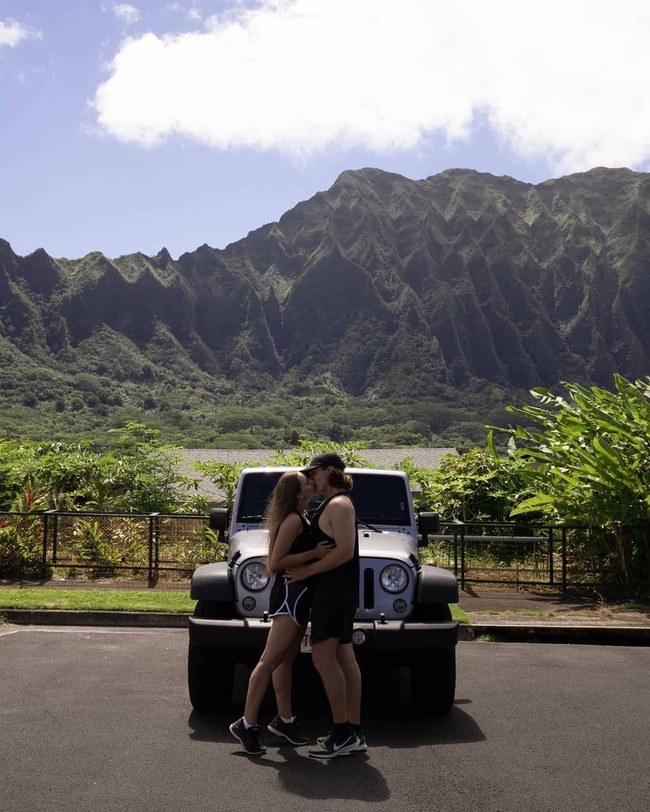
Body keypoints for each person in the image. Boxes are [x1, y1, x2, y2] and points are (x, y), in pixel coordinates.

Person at [229, 470, 332, 756]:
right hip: (289, 597)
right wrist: (314, 554)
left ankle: (285, 720)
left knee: (287, 659)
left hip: (299, 598)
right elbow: (275, 562)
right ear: (298, 493)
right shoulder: (291, 521)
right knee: (269, 660)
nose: (312, 483)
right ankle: (247, 723)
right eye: (306, 482)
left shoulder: (303, 515)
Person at [285, 453, 365, 759]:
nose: (310, 478)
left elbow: (345, 551)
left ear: (329, 471)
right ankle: (353, 733)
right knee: (345, 658)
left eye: (313, 472)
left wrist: (306, 571)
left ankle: (343, 733)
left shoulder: (340, 504)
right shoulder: (332, 504)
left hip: (334, 593)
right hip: (334, 593)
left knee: (322, 658)